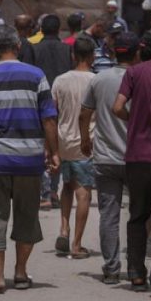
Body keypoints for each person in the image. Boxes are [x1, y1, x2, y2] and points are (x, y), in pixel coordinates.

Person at [0, 25, 60, 294]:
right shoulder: (37, 76)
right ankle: (20, 273)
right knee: (27, 217)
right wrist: (54, 152)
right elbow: (49, 118)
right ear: (18, 47)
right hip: (28, 161)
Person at [112, 25, 151, 298]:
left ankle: (136, 274)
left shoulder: (134, 72)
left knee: (137, 214)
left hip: (137, 155)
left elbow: (117, 107)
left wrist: (134, 121)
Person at [80, 31, 140, 285]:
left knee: (109, 215)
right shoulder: (143, 78)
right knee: (139, 214)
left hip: (105, 158)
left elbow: (84, 115)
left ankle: (112, 268)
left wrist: (85, 140)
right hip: (138, 157)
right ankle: (136, 269)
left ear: (113, 52)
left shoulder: (99, 79)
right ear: (137, 53)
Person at [51, 37, 97, 260]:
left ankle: (63, 228)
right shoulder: (95, 81)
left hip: (63, 141)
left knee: (67, 186)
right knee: (84, 193)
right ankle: (77, 245)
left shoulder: (60, 80)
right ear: (92, 56)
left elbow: (52, 113)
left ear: (73, 55)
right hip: (85, 144)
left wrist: (49, 147)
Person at [30, 14, 72, 86]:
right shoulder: (68, 49)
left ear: (42, 30)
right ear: (58, 30)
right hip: (63, 90)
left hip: (41, 92)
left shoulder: (33, 49)